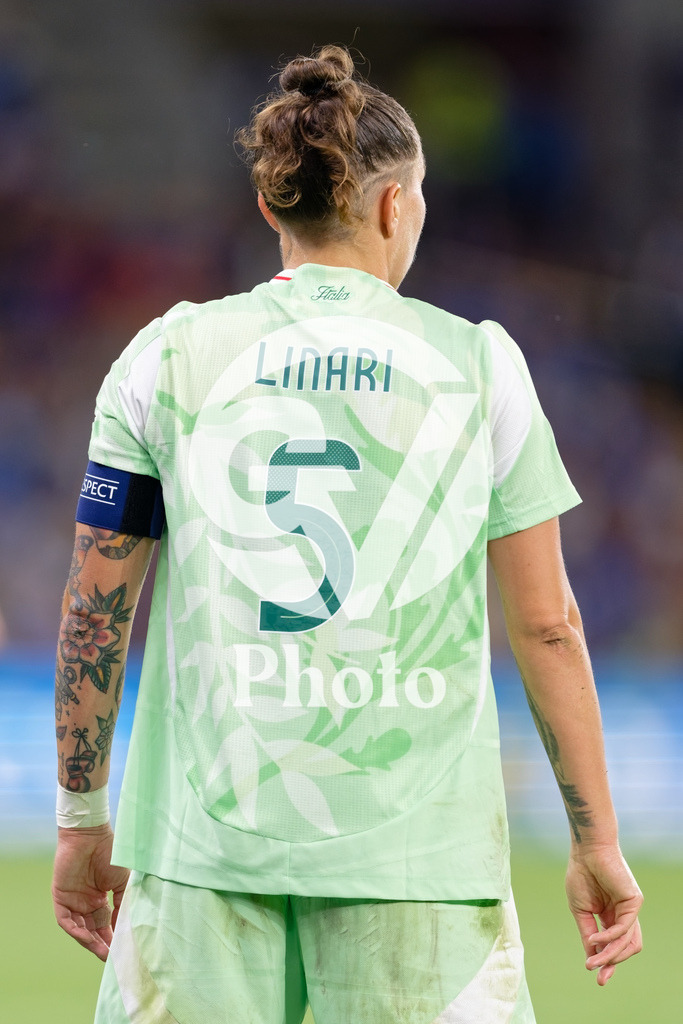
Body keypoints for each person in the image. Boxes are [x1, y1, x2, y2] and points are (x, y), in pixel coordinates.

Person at [52, 44, 642, 1024]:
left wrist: (80, 819)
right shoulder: (479, 365)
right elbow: (548, 627)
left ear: (271, 209)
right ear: (391, 206)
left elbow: (93, 610)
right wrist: (593, 841)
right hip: (418, 864)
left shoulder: (166, 355)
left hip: (205, 856)